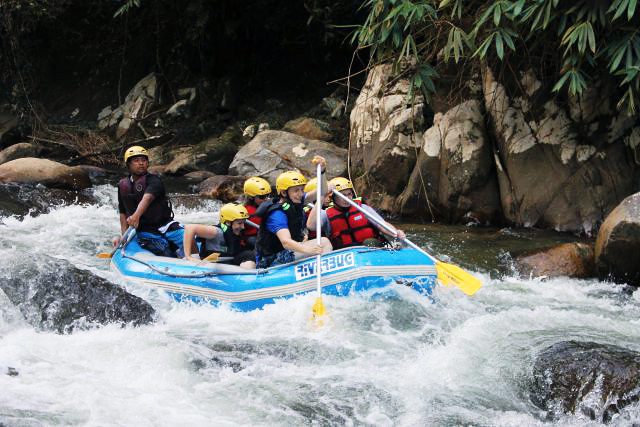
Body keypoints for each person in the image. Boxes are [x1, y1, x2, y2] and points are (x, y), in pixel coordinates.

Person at [255, 156, 333, 268]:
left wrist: (322, 171)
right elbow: (286, 242)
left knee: (322, 242)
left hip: (288, 251)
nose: (300, 194)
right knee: (324, 242)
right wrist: (310, 250)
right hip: (270, 261)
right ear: (284, 192)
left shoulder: (297, 200)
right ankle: (323, 272)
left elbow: (323, 191)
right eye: (296, 190)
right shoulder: (277, 213)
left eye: (302, 189)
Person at [114, 146, 184, 257]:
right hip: (145, 231)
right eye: (136, 160)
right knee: (166, 252)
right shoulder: (123, 185)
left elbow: (147, 198)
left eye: (144, 160)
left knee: (192, 240)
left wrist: (136, 216)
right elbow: (122, 212)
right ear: (128, 165)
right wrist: (124, 236)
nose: (141, 163)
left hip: (166, 226)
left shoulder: (154, 180)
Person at [307, 177, 406, 250]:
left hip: (371, 248)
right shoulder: (325, 214)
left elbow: (382, 225)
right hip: (345, 254)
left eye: (349, 194)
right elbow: (312, 226)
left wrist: (395, 232)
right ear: (333, 197)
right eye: (342, 195)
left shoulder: (362, 208)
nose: (347, 198)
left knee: (370, 242)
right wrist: (322, 195)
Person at [183, 203, 256, 269]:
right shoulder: (216, 232)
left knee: (250, 254)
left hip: (227, 260)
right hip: (211, 264)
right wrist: (189, 256)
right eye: (239, 223)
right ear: (228, 222)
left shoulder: (235, 230)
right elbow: (189, 228)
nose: (243, 227)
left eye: (243, 223)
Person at [242, 176, 272, 245]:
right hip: (252, 237)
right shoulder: (244, 211)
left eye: (267, 195)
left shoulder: (270, 205)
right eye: (262, 197)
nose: (266, 199)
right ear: (251, 198)